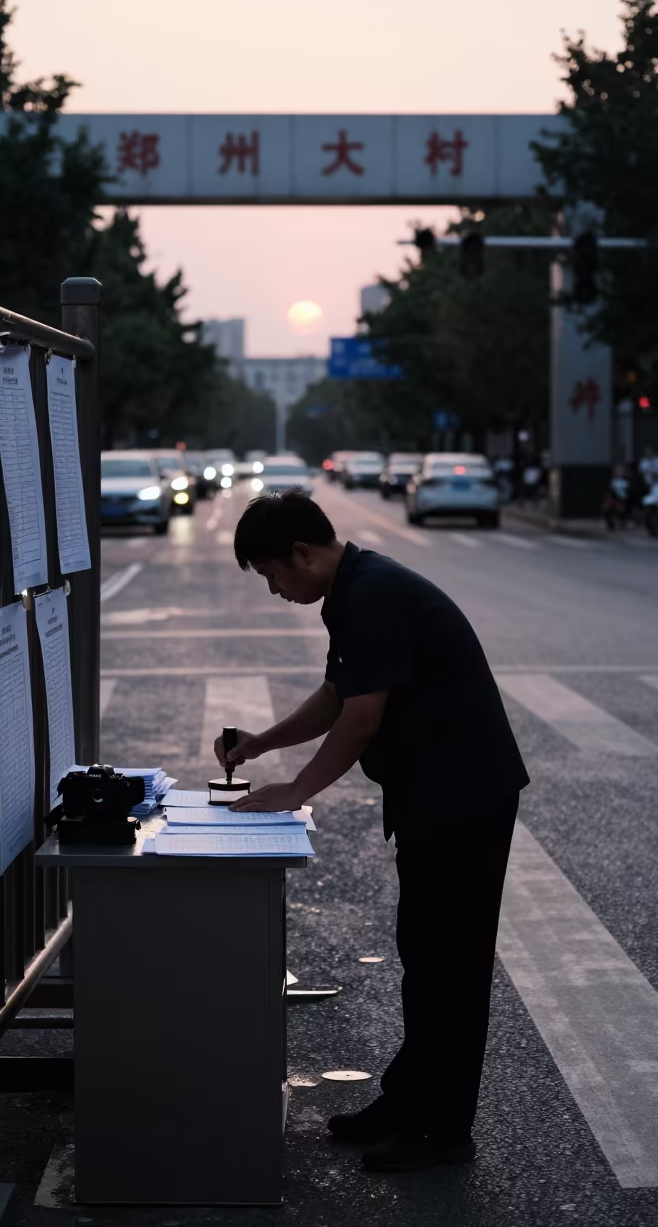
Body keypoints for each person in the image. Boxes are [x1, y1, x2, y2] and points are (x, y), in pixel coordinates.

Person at [215, 491, 529, 1174]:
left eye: (274, 575)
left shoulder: (375, 595)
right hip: (436, 795)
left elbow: (361, 719)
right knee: (426, 956)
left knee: (450, 966)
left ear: (303, 553)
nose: (274, 590)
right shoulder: (356, 590)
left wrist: (296, 791)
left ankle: (442, 1131)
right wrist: (263, 743)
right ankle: (408, 1101)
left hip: (462, 797)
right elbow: (336, 695)